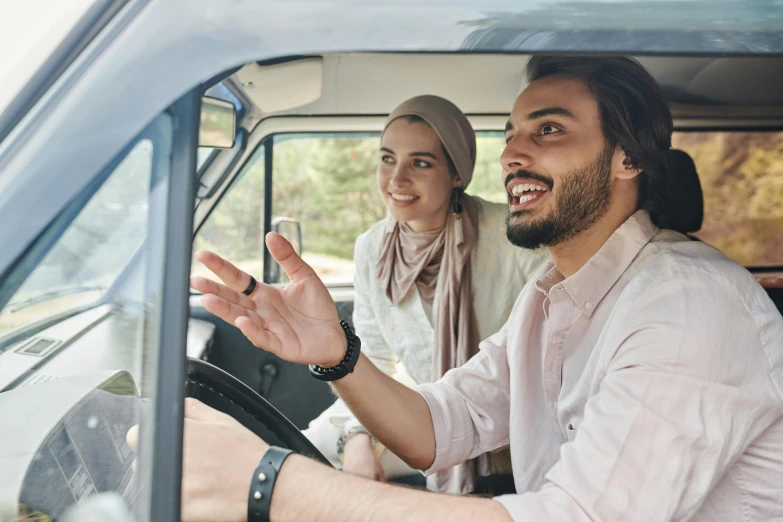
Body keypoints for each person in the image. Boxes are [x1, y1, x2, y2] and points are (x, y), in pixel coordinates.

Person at [132, 55, 783, 522]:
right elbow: (438, 427)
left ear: (628, 159)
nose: (513, 154)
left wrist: (271, 485)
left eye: (547, 130)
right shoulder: (552, 296)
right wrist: (338, 353)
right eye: (512, 134)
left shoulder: (689, 304)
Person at [302, 95, 547, 494]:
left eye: (420, 162)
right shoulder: (372, 249)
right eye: (387, 159)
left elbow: (546, 354)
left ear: (456, 174)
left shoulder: (512, 235)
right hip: (424, 419)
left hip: (514, 430)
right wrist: (358, 439)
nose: (396, 180)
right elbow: (373, 360)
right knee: (301, 461)